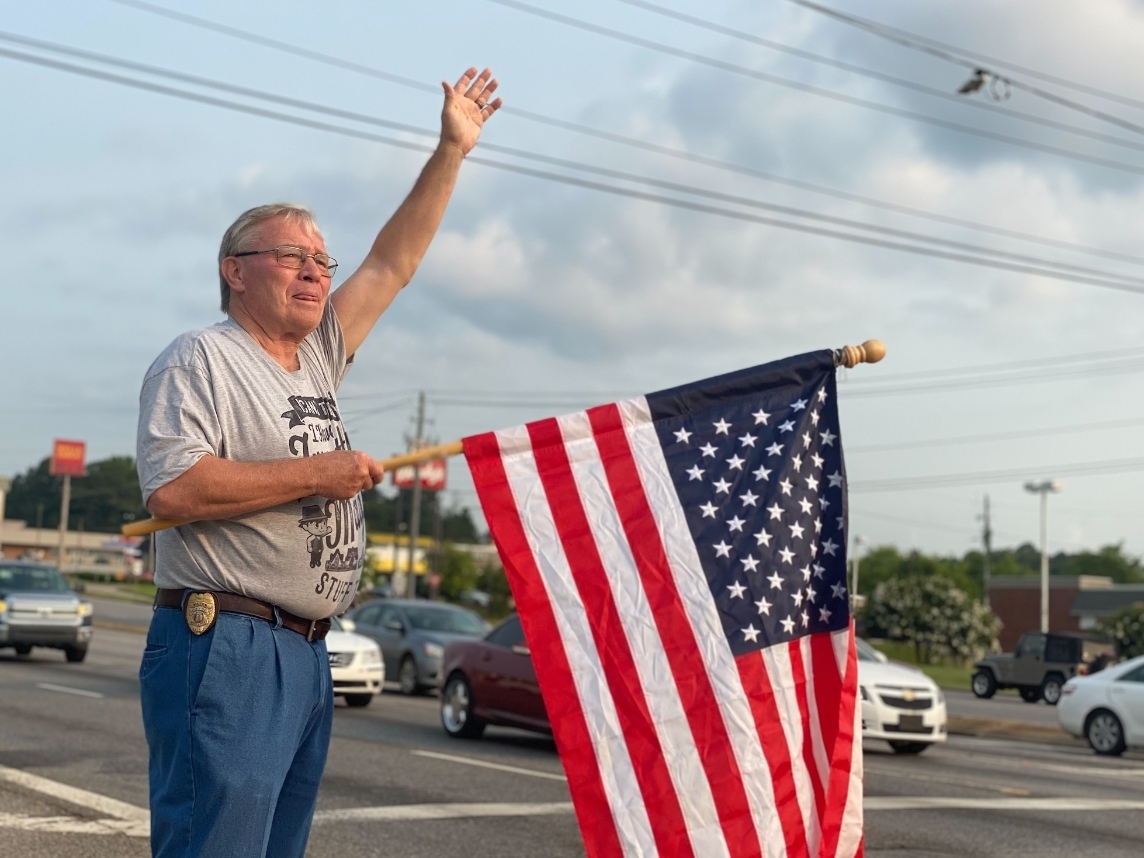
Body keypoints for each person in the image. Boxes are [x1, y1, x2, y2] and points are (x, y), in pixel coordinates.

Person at [134, 68, 502, 858]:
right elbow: (173, 490)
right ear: (235, 269)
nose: (316, 272)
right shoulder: (199, 359)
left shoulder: (318, 355)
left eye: (322, 262)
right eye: (293, 256)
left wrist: (451, 150)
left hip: (304, 648)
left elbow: (393, 263)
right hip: (226, 642)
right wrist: (315, 474)